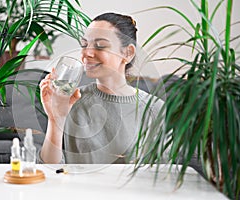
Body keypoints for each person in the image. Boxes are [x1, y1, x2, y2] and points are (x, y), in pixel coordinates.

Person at [39, 12, 163, 164]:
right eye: (84, 45)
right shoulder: (71, 101)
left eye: (100, 46)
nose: (87, 53)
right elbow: (51, 171)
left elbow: (164, 175)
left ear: (127, 53)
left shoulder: (155, 109)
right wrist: (55, 119)